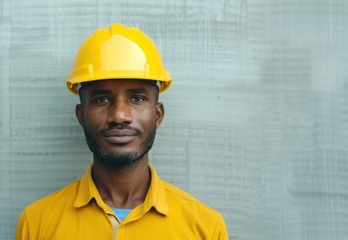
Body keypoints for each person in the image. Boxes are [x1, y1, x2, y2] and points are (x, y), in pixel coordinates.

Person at [15, 23, 228, 240]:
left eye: (136, 98)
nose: (119, 116)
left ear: (158, 115)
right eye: (101, 99)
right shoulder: (37, 224)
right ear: (81, 116)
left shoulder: (205, 228)